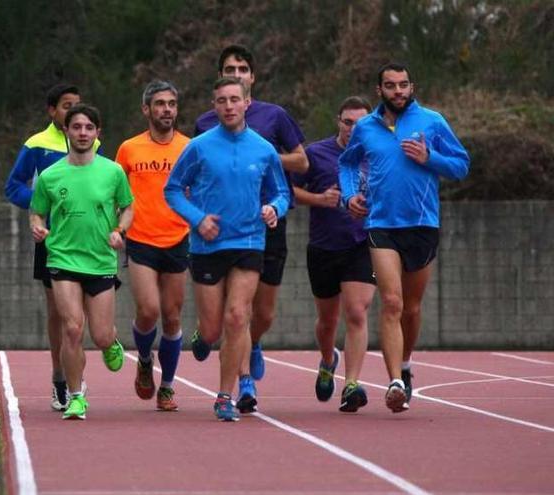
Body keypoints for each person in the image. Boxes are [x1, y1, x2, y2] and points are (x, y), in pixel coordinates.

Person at [339, 63, 469, 413]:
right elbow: (347, 164)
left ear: (412, 87)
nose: (398, 91)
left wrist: (430, 157)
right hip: (381, 224)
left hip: (422, 224)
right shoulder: (365, 127)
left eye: (403, 85)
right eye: (390, 85)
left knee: (411, 308)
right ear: (378, 89)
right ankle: (395, 381)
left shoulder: (432, 121)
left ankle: (406, 363)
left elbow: (461, 166)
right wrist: (348, 196)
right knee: (392, 302)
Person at [165, 77, 290, 421]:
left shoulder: (264, 149)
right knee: (212, 329)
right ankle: (202, 336)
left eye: (235, 99)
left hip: (249, 241)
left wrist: (273, 210)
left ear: (247, 103)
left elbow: (282, 193)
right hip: (207, 245)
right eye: (222, 101)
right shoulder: (199, 147)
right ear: (214, 105)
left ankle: (224, 395)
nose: (229, 106)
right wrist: (197, 218)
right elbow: (173, 189)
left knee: (238, 316)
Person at [194, 44, 308, 413]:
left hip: (266, 221)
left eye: (243, 68)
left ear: (252, 78)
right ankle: (242, 382)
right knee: (234, 314)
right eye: (230, 68)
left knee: (263, 314)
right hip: (220, 226)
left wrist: (261, 158)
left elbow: (302, 161)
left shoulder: (274, 117)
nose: (238, 73)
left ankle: (252, 344)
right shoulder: (205, 125)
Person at [29, 104, 133, 420]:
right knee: (72, 329)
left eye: (89, 127)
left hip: (100, 261)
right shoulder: (50, 176)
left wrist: (120, 231)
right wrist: (36, 225)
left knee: (100, 335)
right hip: (62, 258)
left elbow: (127, 207)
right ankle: (76, 396)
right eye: (76, 127)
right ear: (66, 131)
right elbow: (36, 210)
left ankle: (110, 342)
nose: (83, 133)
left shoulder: (113, 172)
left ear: (98, 132)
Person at [4, 84, 99, 411]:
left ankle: (75, 375)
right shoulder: (37, 144)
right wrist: (43, 205)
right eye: (66, 106)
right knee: (61, 313)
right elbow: (13, 186)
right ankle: (61, 377)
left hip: (89, 240)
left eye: (77, 106)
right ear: (52, 111)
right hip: (53, 240)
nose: (72, 112)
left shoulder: (92, 142)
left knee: (84, 315)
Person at [292, 96, 376, 413]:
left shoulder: (379, 155)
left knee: (356, 311)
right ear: (338, 122)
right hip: (324, 246)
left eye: (362, 123)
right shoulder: (316, 154)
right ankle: (329, 359)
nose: (354, 129)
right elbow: (290, 192)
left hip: (363, 244)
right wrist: (318, 198)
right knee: (328, 322)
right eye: (348, 122)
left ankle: (351, 385)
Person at [115, 80, 191, 412]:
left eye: (171, 104)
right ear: (147, 109)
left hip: (178, 237)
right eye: (159, 104)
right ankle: (145, 358)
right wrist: (115, 228)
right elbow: (116, 193)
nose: (166, 110)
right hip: (141, 238)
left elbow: (200, 189)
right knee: (148, 311)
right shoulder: (129, 149)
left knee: (172, 318)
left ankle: (168, 387)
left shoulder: (190, 147)